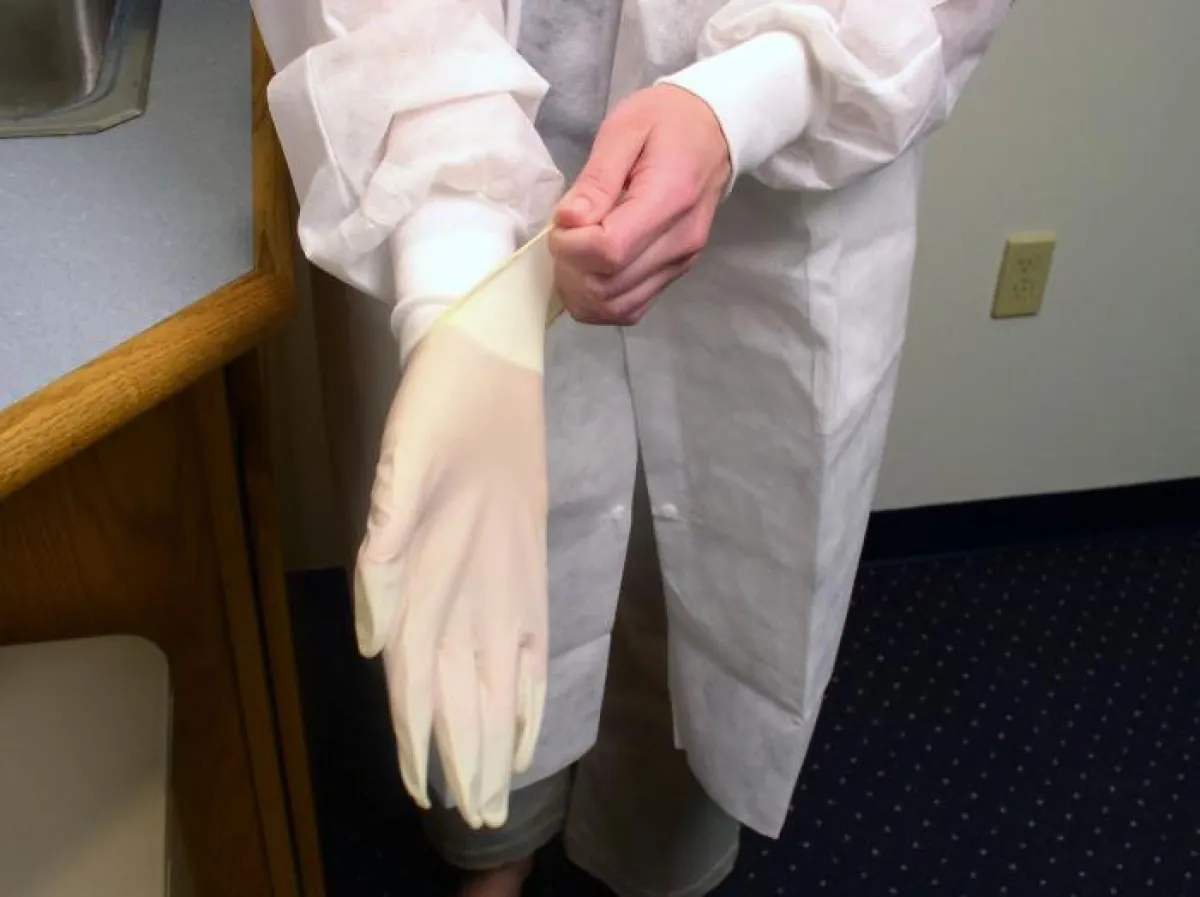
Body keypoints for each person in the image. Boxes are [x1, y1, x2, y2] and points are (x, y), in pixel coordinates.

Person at [252, 2, 1012, 896]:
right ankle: (495, 849)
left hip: (776, 215)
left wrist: (750, 98)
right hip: (484, 182)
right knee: (478, 565)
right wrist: (452, 275)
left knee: (715, 590)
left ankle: (658, 861)